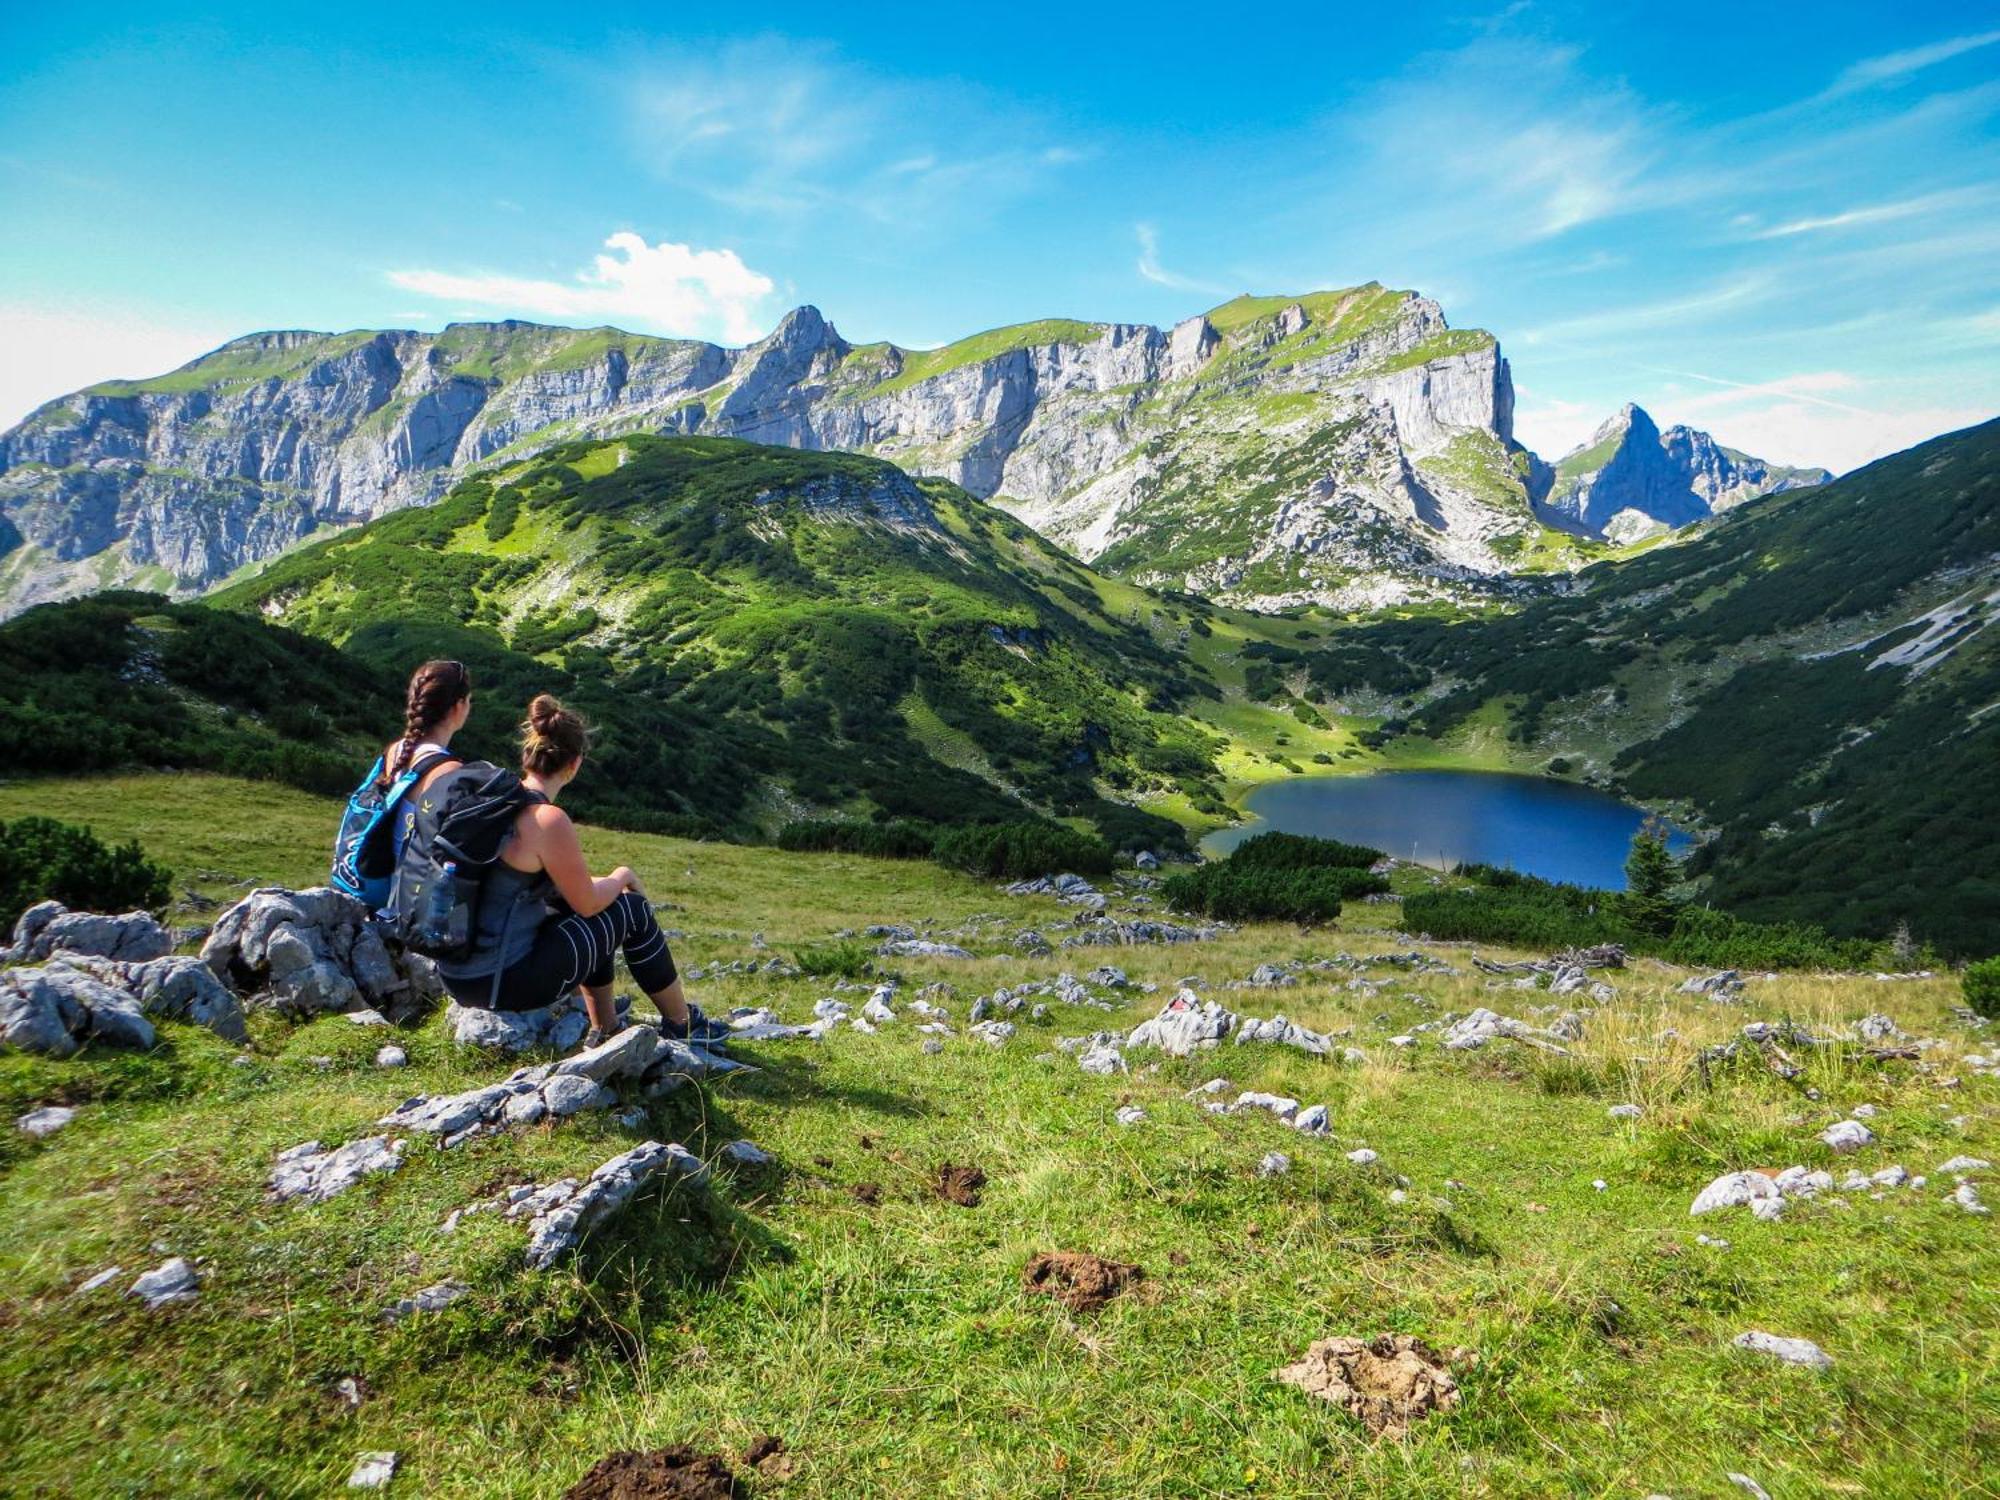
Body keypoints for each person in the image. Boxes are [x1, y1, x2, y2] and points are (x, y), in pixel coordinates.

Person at [429, 693, 727, 1047]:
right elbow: (587, 903)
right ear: (574, 764)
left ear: (528, 756)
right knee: (630, 910)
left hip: (457, 974)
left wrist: (606, 886)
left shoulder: (494, 803)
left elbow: (567, 894)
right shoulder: (546, 820)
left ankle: (606, 1027)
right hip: (502, 982)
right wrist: (622, 876)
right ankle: (683, 1025)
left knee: (591, 908)